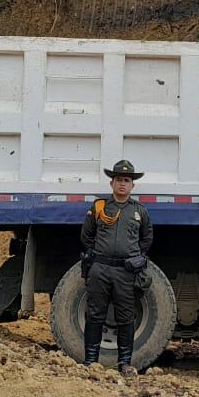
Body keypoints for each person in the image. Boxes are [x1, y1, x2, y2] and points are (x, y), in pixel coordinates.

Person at [80, 159, 153, 377]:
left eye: (127, 180)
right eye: (119, 179)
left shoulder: (139, 211)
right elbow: (86, 236)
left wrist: (133, 256)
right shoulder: (99, 207)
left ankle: (125, 364)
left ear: (132, 186)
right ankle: (90, 362)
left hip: (125, 272)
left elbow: (146, 239)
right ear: (111, 183)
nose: (122, 184)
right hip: (100, 269)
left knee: (125, 317)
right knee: (95, 315)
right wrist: (98, 254)